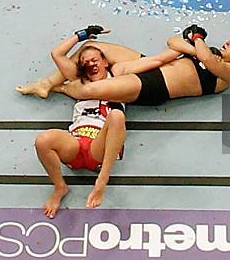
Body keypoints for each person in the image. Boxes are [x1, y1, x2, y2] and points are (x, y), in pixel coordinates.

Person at [33, 26, 180, 216]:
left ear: (105, 62)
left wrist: (187, 47)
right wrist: (81, 36)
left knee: (117, 116)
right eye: (85, 62)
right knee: (42, 140)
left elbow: (157, 60)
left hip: (101, 146)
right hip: (76, 142)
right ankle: (60, 187)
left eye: (94, 60)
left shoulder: (119, 75)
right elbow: (57, 53)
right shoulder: (79, 80)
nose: (91, 64)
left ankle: (102, 179)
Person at [50, 25, 230, 105]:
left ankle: (60, 86)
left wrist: (196, 39)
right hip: (151, 62)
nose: (228, 42)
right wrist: (195, 45)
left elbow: (207, 61)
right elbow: (173, 41)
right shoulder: (208, 50)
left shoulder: (229, 73)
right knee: (93, 46)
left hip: (155, 87)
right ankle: (47, 82)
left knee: (88, 89)